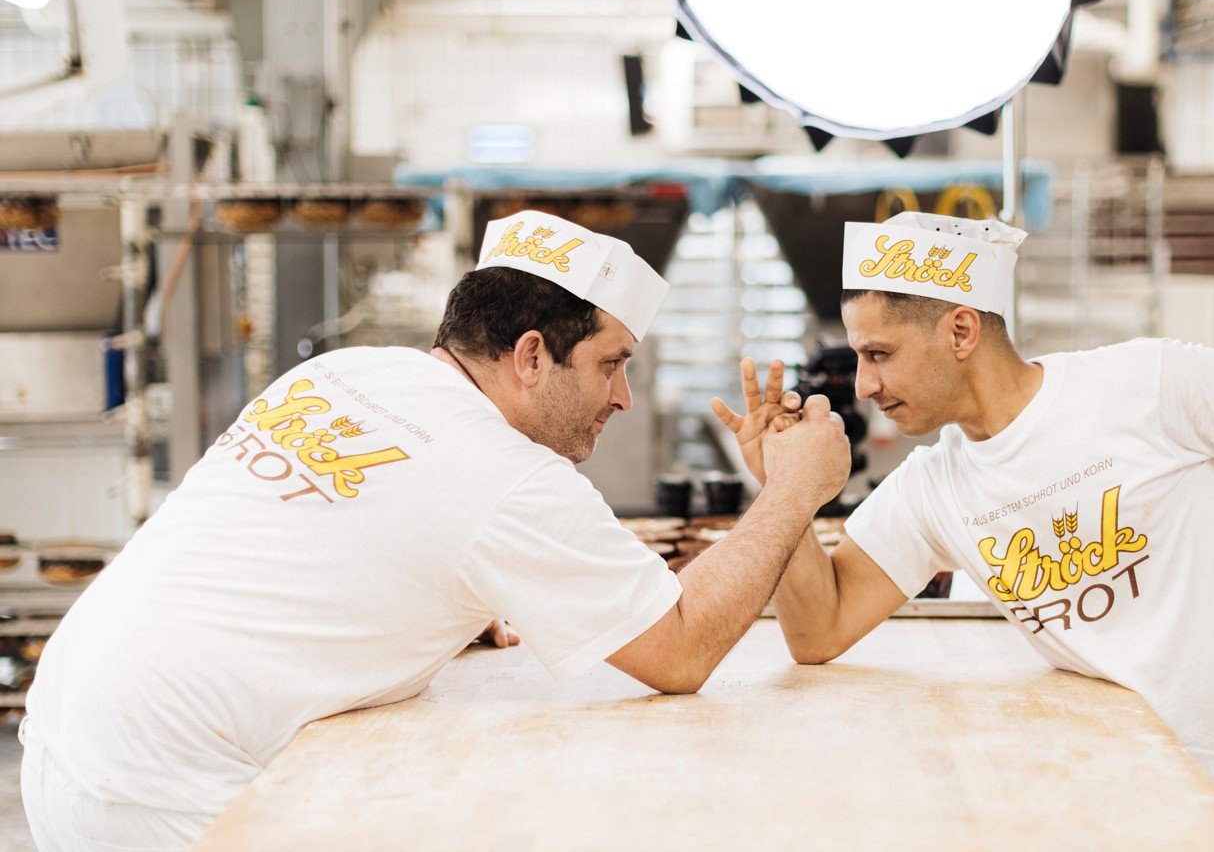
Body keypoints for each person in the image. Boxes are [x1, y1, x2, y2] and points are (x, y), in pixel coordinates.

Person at [21, 210, 850, 852]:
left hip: (66, 732)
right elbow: (680, 651)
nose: (622, 398)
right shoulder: (510, 477)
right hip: (174, 791)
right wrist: (792, 490)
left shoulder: (342, 372)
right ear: (531, 355)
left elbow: (338, 538)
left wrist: (444, 607)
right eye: (611, 362)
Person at [713, 211, 1214, 851]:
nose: (863, 385)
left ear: (960, 331)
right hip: (1158, 815)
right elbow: (818, 631)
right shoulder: (934, 487)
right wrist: (787, 491)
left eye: (880, 353)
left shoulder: (1142, 383)